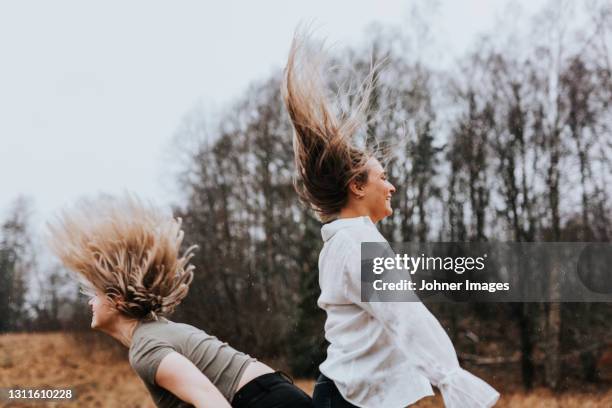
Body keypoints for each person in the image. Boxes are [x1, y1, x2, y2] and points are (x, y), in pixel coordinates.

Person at [281, 32, 500, 408]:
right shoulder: (357, 245)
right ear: (357, 187)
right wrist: (450, 377)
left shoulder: (348, 241)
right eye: (382, 177)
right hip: (351, 399)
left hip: (348, 396)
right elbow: (405, 315)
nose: (391, 186)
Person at [47, 195, 313, 408]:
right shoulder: (156, 330)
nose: (90, 303)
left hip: (261, 400)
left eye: (94, 294)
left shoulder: (145, 349)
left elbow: (209, 400)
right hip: (274, 394)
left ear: (116, 300)